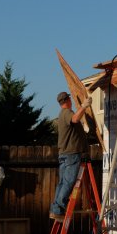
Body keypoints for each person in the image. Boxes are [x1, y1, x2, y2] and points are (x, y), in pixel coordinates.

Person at [49, 91, 92, 221]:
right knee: (68, 182)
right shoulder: (67, 112)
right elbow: (75, 119)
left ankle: (56, 210)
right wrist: (84, 106)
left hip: (64, 154)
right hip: (71, 154)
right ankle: (59, 209)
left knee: (62, 183)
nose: (71, 100)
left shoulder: (61, 114)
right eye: (69, 98)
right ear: (67, 100)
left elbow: (74, 123)